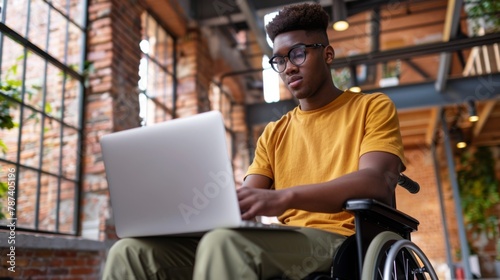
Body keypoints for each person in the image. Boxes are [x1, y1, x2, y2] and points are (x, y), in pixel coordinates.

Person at [102, 2, 406, 279]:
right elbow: (245, 201)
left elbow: (376, 180)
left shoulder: (371, 107)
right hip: (287, 244)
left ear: (327, 54)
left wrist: (284, 197)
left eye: (298, 53)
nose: (288, 67)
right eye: (279, 60)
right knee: (130, 252)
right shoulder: (274, 133)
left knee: (226, 245)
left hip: (343, 241)